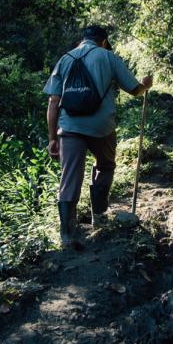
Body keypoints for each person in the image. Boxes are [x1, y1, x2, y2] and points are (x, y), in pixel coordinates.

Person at [43, 25, 152, 250]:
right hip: (101, 127)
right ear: (103, 41)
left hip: (69, 127)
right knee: (105, 165)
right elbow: (133, 89)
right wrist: (146, 85)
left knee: (69, 177)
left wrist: (52, 138)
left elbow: (53, 102)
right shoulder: (108, 57)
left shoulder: (65, 59)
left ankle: (66, 234)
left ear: (82, 39)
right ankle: (99, 216)